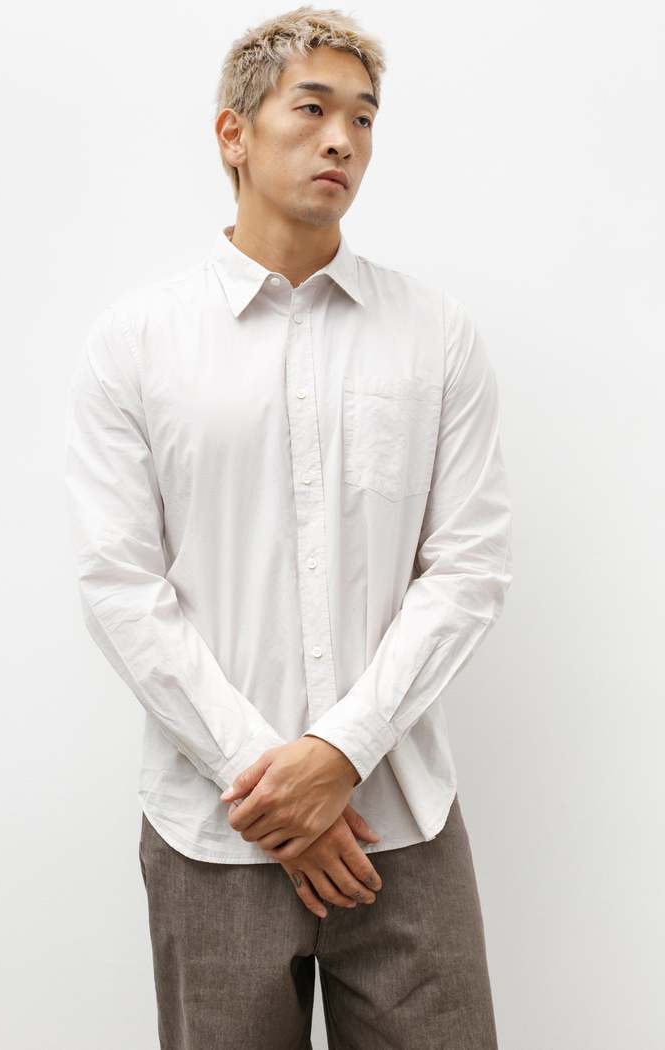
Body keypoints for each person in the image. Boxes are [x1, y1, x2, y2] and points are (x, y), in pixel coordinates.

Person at [65, 5, 513, 1047]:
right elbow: (120, 586)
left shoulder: (434, 336)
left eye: (363, 117)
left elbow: (469, 567)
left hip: (400, 823)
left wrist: (339, 755)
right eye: (312, 109)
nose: (342, 139)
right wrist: (270, 784)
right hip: (213, 831)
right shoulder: (136, 343)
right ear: (233, 133)